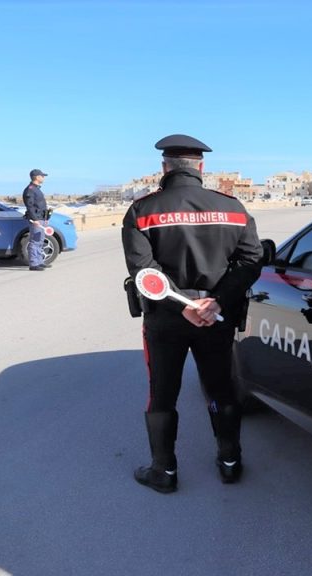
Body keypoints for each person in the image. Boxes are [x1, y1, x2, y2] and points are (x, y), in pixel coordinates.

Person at [122, 134, 263, 494]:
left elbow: (143, 271)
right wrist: (214, 302)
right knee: (220, 390)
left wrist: (183, 305)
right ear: (201, 168)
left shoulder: (143, 210)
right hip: (215, 317)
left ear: (164, 167)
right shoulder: (233, 208)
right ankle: (230, 463)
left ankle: (163, 471)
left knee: (162, 394)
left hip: (167, 318)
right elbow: (251, 260)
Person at [22, 169, 50, 271]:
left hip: (41, 219)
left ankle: (39, 261)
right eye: (42, 176)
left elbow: (40, 206)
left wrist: (45, 218)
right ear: (37, 177)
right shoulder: (30, 190)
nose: (43, 177)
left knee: (40, 240)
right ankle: (34, 264)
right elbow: (30, 206)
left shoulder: (36, 189)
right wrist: (35, 219)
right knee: (35, 241)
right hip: (36, 220)